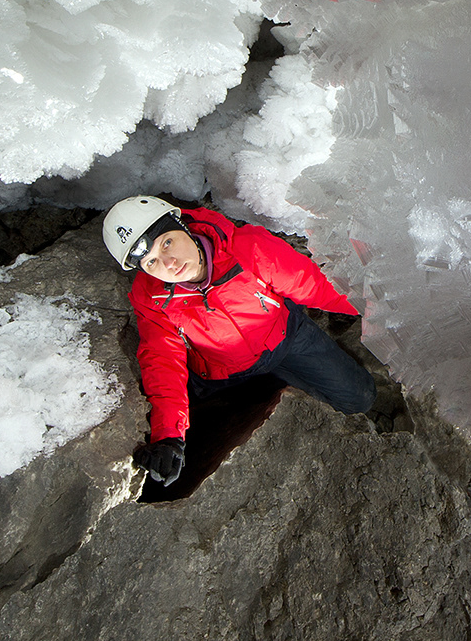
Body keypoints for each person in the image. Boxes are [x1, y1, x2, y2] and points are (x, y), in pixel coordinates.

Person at [102, 195, 377, 486]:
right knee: (184, 453)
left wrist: (375, 308)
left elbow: (313, 285)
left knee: (361, 397)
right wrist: (168, 436)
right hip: (217, 372)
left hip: (286, 340)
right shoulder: (152, 297)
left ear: (181, 223)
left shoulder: (246, 248)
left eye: (167, 242)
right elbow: (162, 361)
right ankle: (264, 389)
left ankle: (276, 382)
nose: (169, 264)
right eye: (152, 261)